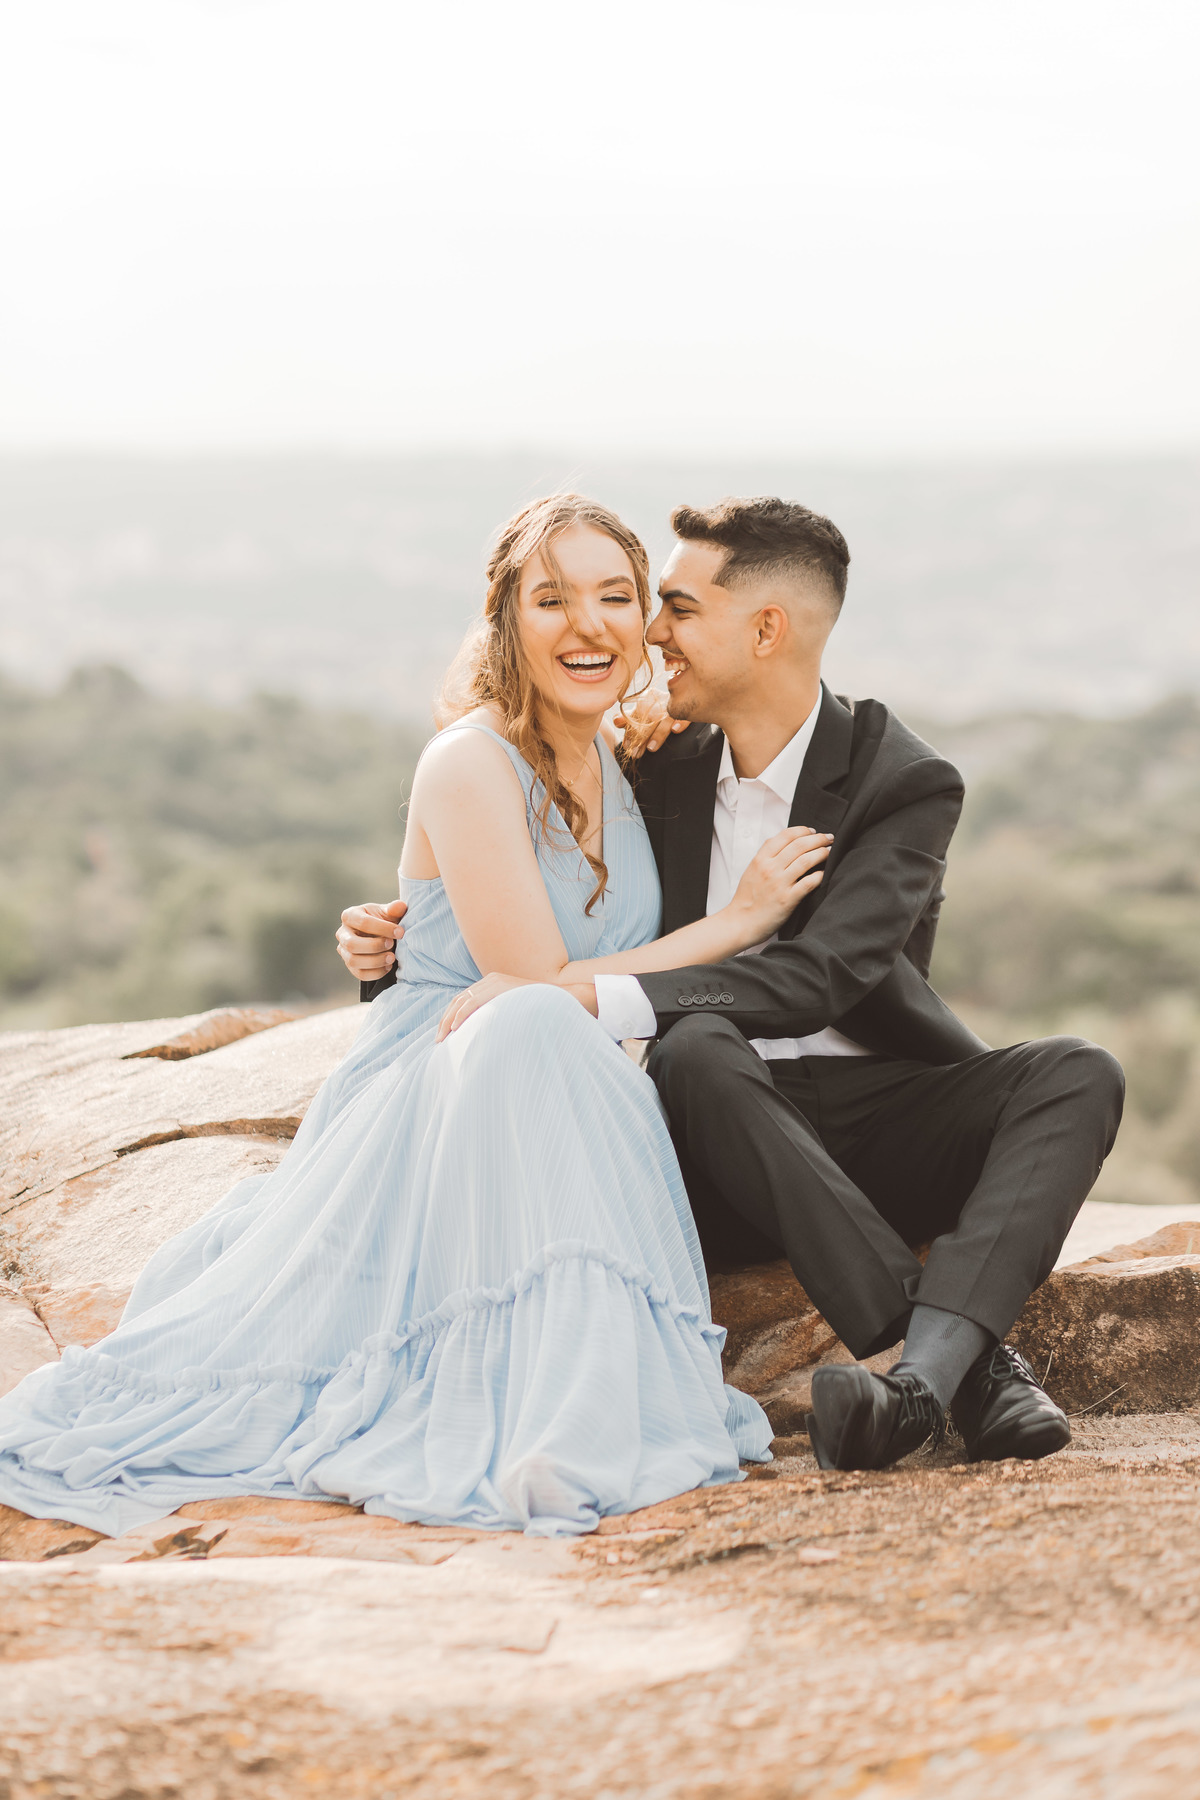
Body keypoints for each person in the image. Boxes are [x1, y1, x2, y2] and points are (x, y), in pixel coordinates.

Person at [0, 494, 846, 1540]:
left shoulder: (624, 753)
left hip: (555, 1076)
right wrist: (739, 922)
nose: (588, 625)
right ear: (506, 621)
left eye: (615, 597)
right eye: (552, 599)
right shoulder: (466, 762)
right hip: (444, 1076)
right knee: (531, 1022)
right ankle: (508, 1408)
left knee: (541, 1031)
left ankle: (578, 1398)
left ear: (644, 622)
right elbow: (532, 975)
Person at [344, 496, 1125, 1474]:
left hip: (868, 1124)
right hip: (697, 1139)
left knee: (1080, 1070)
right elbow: (535, 868)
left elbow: (818, 978)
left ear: (766, 630)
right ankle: (961, 1378)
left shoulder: (902, 780)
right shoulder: (654, 761)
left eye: (675, 607)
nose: (651, 634)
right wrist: (398, 947)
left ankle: (913, 1388)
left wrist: (584, 993)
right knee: (700, 1047)